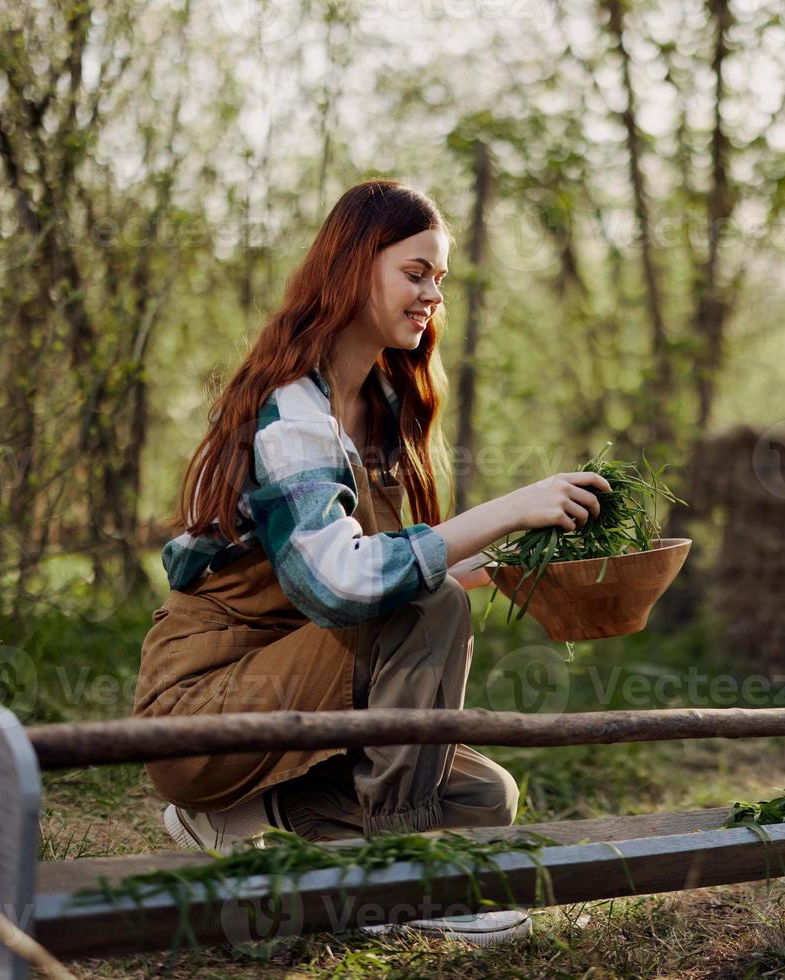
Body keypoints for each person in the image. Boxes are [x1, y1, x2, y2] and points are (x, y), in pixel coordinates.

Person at [132, 179, 610, 944]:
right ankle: (399, 876)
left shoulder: (382, 409)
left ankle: (247, 815)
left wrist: (510, 561)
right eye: (415, 272)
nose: (431, 295)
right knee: (429, 606)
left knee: (486, 799)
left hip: (295, 694)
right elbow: (346, 583)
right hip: (202, 714)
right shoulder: (290, 411)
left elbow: (384, 569)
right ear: (354, 267)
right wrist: (511, 506)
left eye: (440, 280)